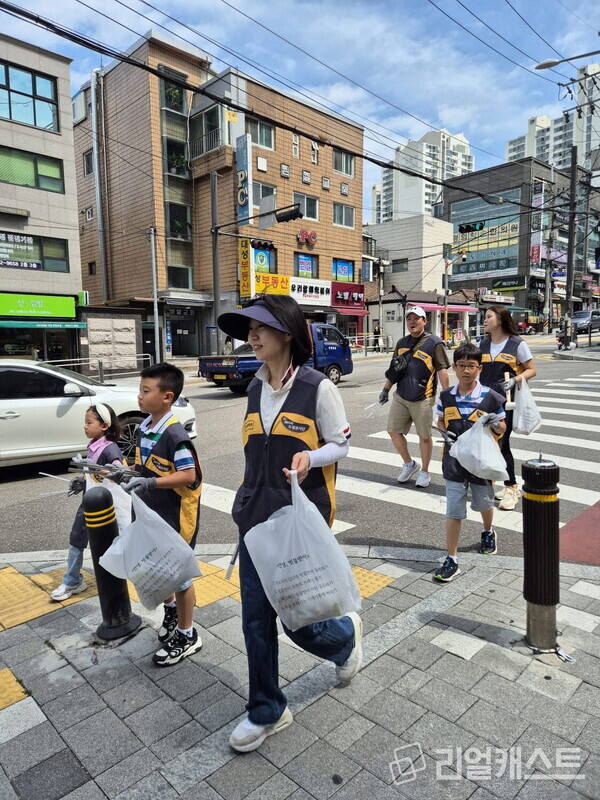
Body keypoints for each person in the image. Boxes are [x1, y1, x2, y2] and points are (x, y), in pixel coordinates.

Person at [217, 295, 362, 753]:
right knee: (255, 620)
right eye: (247, 330)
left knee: (298, 620)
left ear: (286, 332)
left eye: (259, 328)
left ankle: (342, 641)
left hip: (298, 518)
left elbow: (341, 444)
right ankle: (268, 709)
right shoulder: (255, 387)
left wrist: (310, 458)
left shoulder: (318, 387)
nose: (251, 337)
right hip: (255, 519)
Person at [119, 362, 203, 667]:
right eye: (139, 390)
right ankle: (171, 612)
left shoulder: (175, 436)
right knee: (156, 568)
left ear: (167, 396)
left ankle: (187, 633)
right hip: (150, 515)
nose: (139, 397)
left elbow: (188, 474)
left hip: (175, 518)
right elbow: (141, 466)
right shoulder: (144, 426)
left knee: (178, 576)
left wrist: (151, 482)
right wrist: (117, 472)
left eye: (145, 390)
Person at [435, 342, 507, 582]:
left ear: (480, 368)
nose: (466, 370)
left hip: (482, 462)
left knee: (484, 503)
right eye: (461, 365)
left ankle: (488, 531)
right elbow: (441, 422)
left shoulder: (491, 396)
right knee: (453, 510)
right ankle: (452, 558)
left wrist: (495, 424)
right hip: (454, 461)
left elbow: (503, 429)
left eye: (471, 366)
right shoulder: (445, 396)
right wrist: (445, 432)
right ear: (454, 367)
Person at [51, 404, 125, 601]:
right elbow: (94, 476)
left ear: (104, 425)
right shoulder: (94, 445)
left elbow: (118, 473)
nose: (85, 426)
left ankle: (111, 579)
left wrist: (97, 470)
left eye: (89, 422)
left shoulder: (110, 449)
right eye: (85, 422)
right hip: (89, 504)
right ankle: (73, 580)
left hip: (105, 508)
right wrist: (81, 481)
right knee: (76, 539)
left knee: (106, 543)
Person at [378, 306, 450, 488]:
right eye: (409, 319)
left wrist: (447, 396)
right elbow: (395, 370)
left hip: (423, 398)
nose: (412, 322)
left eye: (416, 318)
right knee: (393, 430)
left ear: (424, 321)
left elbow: (442, 371)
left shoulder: (434, 343)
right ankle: (409, 464)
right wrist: (386, 389)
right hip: (401, 396)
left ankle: (425, 472)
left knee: (424, 436)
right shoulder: (402, 343)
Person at [479, 306, 537, 511]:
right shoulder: (483, 343)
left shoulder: (517, 344)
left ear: (501, 320)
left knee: (502, 442)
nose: (484, 320)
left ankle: (511, 487)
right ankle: (497, 482)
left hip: (506, 402)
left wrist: (515, 380)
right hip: (485, 401)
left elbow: (532, 370)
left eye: (488, 317)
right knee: (488, 443)